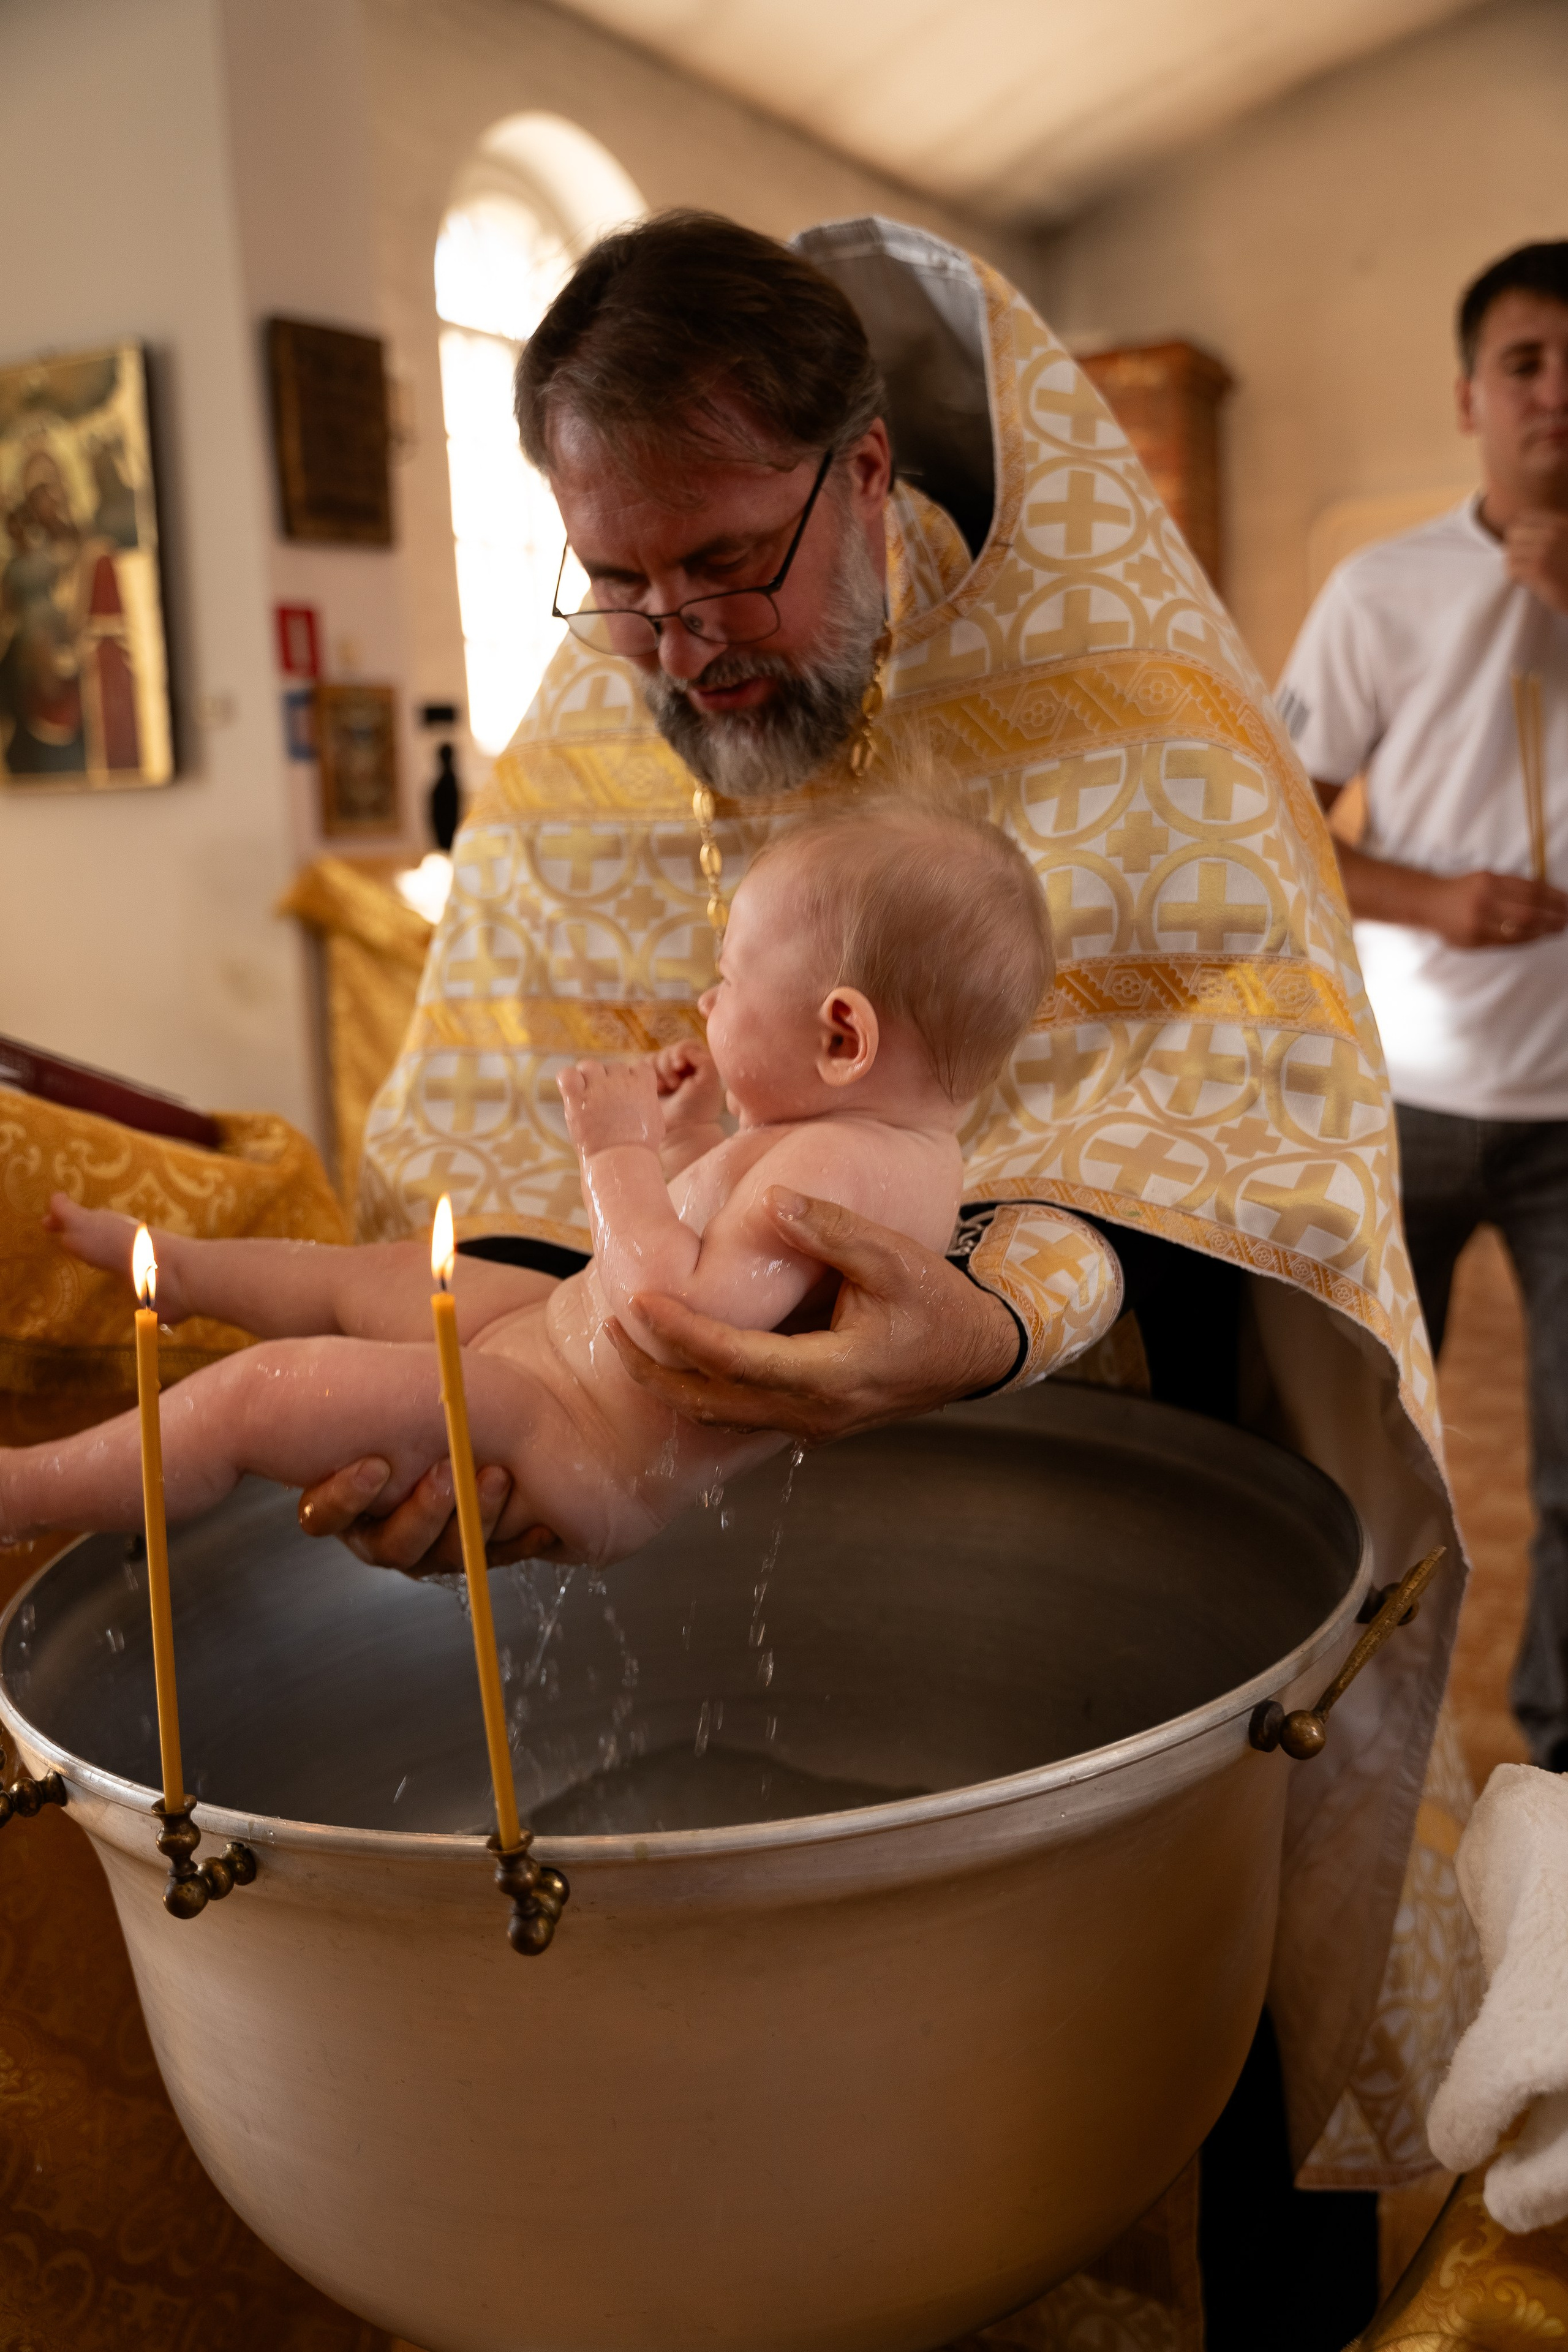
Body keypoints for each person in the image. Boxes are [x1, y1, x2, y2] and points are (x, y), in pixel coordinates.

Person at [285, 213, 1468, 2345]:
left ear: (860, 466)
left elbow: (1244, 1147)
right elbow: (512, 1138)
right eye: (619, 579)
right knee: (794, 2058)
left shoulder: (1132, 703)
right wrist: (490, 1377)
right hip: (713, 1525)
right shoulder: (602, 724)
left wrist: (1003, 1308)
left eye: (732, 561)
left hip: (1117, 1531)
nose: (683, 644)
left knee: (1204, 2010)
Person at [6, 800, 1046, 1558]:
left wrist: (617, 1149)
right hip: (560, 1359)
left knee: (258, 1395)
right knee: (372, 1280)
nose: (706, 997)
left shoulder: (850, 1164)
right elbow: (724, 1263)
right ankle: (185, 1276)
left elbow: (673, 1315)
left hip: (576, 1439)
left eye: (728, 978)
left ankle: (27, 1492)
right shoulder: (866, 1144)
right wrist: (687, 1136)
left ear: (841, 1034)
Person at [1278, 240, 1568, 1766]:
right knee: (1371, 1451)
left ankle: (1562, 1782)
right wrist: (1435, 900)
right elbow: (1282, 825)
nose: (1556, 394)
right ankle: (1357, 1744)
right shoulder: (1381, 590)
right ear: (1469, 395)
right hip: (1408, 1100)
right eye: (1525, 362)